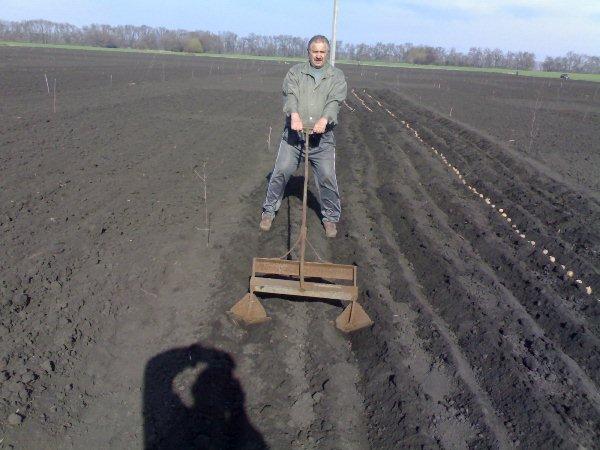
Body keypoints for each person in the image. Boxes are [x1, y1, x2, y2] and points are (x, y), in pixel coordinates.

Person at [259, 35, 347, 238]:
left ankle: (330, 218)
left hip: (322, 139)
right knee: (280, 171)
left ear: (327, 53)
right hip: (294, 136)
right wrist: (294, 115)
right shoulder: (296, 72)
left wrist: (324, 120)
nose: (318, 55)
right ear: (308, 52)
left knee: (326, 176)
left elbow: (334, 101)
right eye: (314, 51)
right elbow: (290, 95)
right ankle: (268, 212)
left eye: (322, 52)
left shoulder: (336, 76)